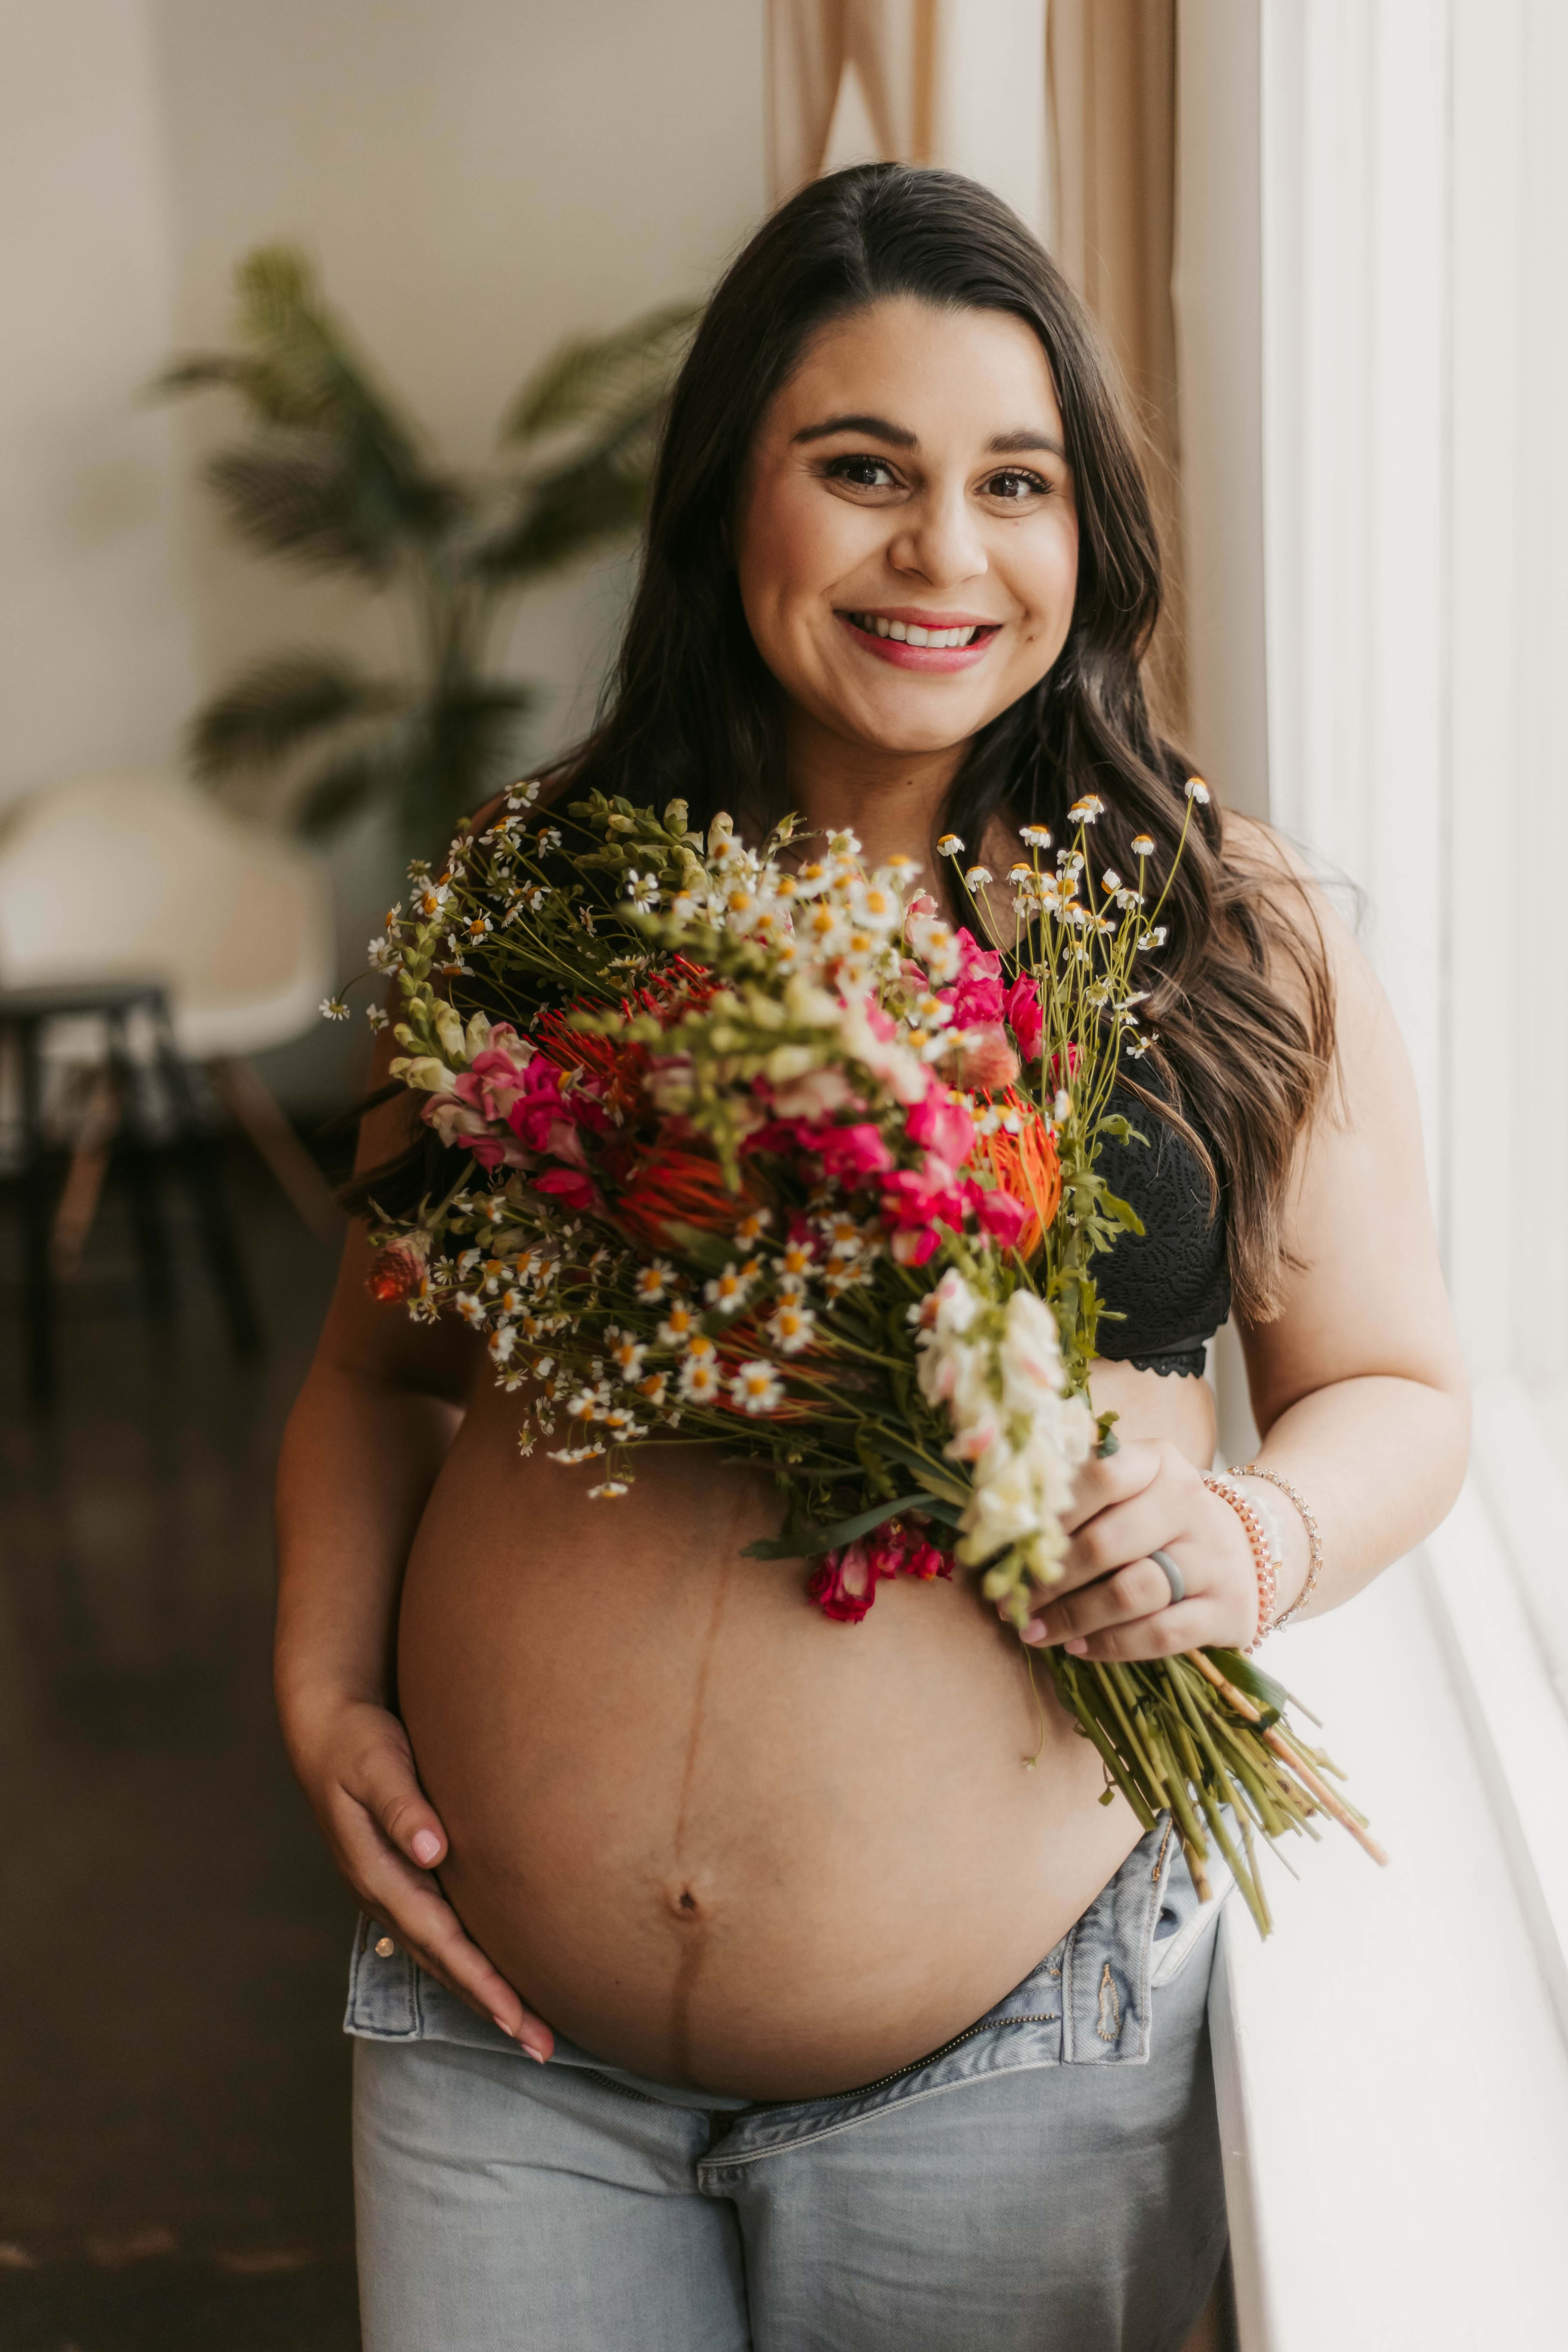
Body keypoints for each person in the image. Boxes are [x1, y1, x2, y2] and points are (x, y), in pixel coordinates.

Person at [275, 164, 1468, 2352]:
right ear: (733, 495)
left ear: (1088, 531)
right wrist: (322, 1678)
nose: (945, 552)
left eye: (1016, 482)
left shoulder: (1221, 928)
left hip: (1010, 2086)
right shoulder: (536, 896)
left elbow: (1396, 1388)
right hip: (496, 2050)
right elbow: (378, 1377)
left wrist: (1253, 1538)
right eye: (861, 471)